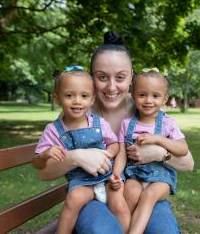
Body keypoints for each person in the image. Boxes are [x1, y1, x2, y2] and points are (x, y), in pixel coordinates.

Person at [33, 31, 194, 234]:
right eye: (102, 77)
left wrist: (160, 154)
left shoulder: (146, 109)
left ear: (131, 77)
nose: (111, 87)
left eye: (120, 77)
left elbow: (188, 163)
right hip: (92, 194)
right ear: (92, 77)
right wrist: (75, 157)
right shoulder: (76, 115)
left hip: (141, 190)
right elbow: (44, 172)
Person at [32, 67, 129, 233]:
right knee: (73, 199)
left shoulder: (100, 123)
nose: (77, 101)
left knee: (119, 205)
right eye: (69, 95)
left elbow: (115, 144)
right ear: (57, 99)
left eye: (84, 96)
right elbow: (37, 164)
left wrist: (108, 154)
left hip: (106, 177)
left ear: (92, 100)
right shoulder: (54, 130)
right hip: (81, 181)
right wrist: (45, 154)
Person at [111, 70, 188, 234]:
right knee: (130, 192)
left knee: (148, 196)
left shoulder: (168, 123)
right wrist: (117, 174)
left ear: (165, 99)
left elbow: (183, 149)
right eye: (142, 95)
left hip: (161, 178)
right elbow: (122, 154)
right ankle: (122, 229)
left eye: (155, 96)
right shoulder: (127, 124)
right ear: (133, 94)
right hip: (135, 173)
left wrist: (159, 140)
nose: (148, 100)